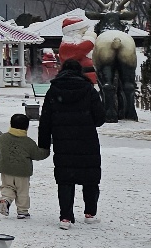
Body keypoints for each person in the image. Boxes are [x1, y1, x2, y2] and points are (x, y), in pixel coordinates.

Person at [38, 57, 107, 229]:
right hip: (87, 141)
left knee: (65, 180)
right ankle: (90, 213)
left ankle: (66, 217)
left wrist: (44, 144)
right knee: (90, 178)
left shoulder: (54, 90)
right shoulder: (89, 90)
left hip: (63, 142)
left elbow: (45, 120)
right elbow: (99, 119)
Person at [0, 112, 49, 219]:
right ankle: (22, 211)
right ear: (26, 127)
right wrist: (46, 151)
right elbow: (37, 155)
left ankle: (6, 199)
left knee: (7, 186)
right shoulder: (28, 142)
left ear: (11, 124)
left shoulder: (2, 138)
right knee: (22, 191)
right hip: (22, 171)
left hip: (5, 169)